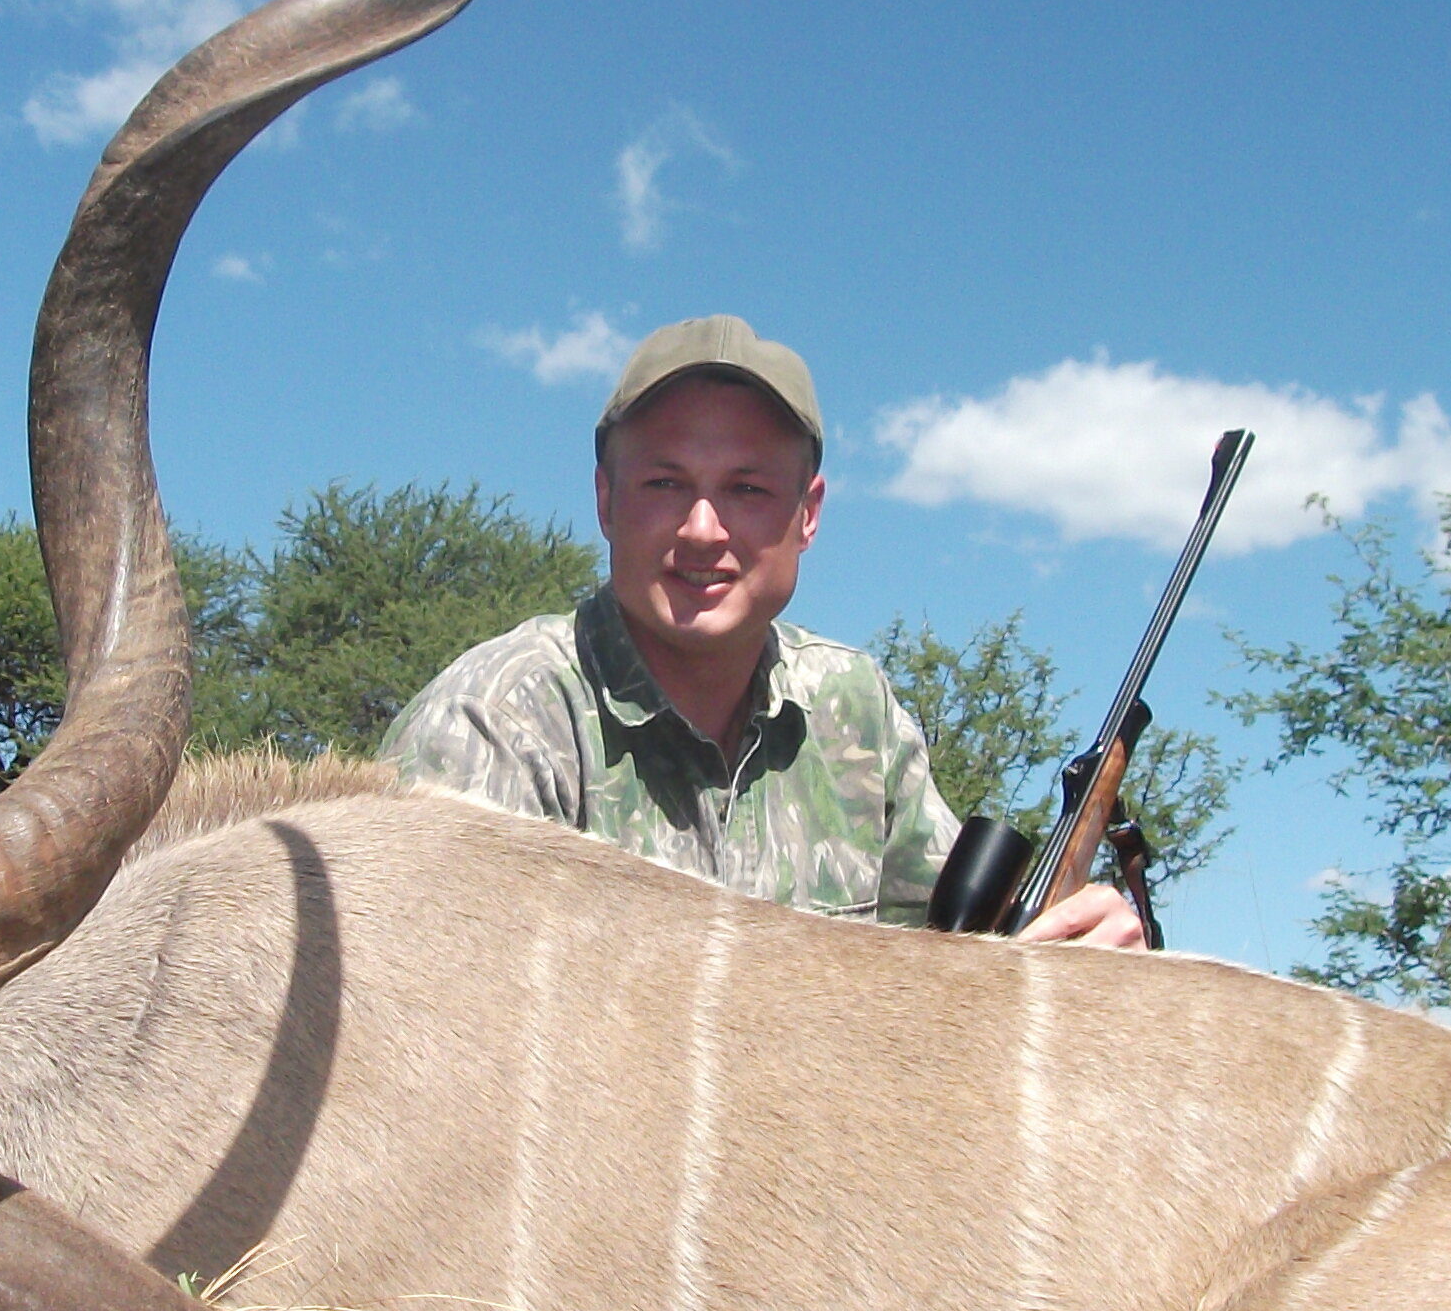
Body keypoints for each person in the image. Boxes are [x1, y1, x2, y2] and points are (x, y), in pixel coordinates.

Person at [380, 313, 1146, 942]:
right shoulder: (498, 717)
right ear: (606, 501)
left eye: (746, 488)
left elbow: (958, 974)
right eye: (664, 484)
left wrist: (1074, 945)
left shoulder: (854, 707)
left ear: (806, 515)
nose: (704, 529)